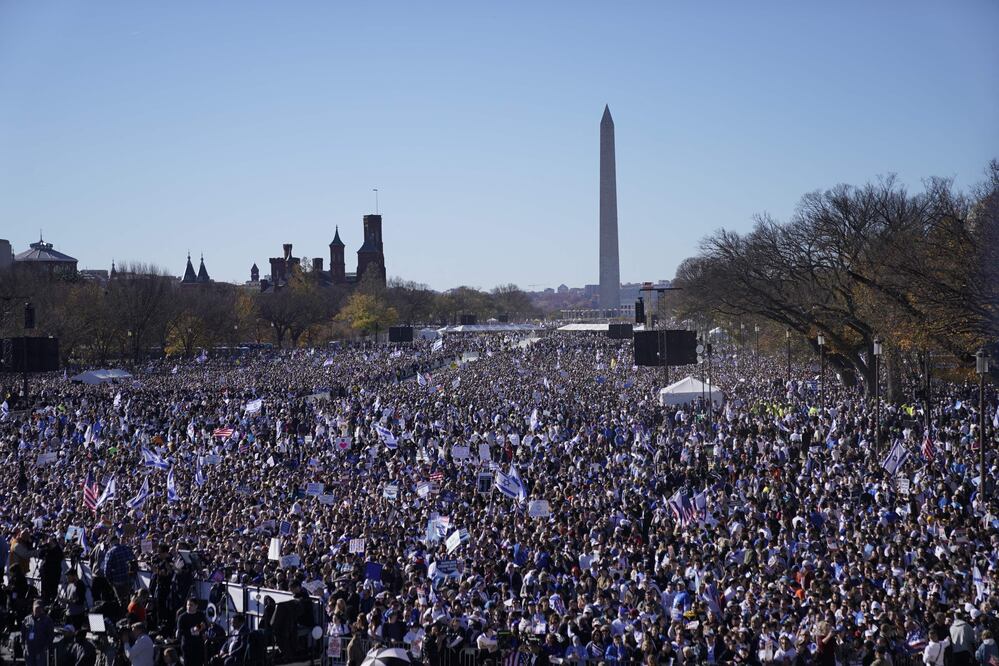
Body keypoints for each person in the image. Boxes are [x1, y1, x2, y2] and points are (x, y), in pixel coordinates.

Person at [22, 600, 56, 666]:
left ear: (42, 609)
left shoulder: (47, 620)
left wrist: (46, 647)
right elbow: (22, 634)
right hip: (29, 651)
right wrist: (23, 647)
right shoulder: (27, 619)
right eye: (36, 608)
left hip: (41, 651)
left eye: (39, 608)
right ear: (33, 608)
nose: (37, 610)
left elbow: (51, 635)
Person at [176, 598, 208, 666]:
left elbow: (205, 626)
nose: (189, 607)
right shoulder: (182, 617)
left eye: (191, 605)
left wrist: (203, 631)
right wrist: (194, 629)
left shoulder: (200, 615)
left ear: (196, 606)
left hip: (198, 645)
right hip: (188, 645)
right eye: (188, 605)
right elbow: (180, 632)